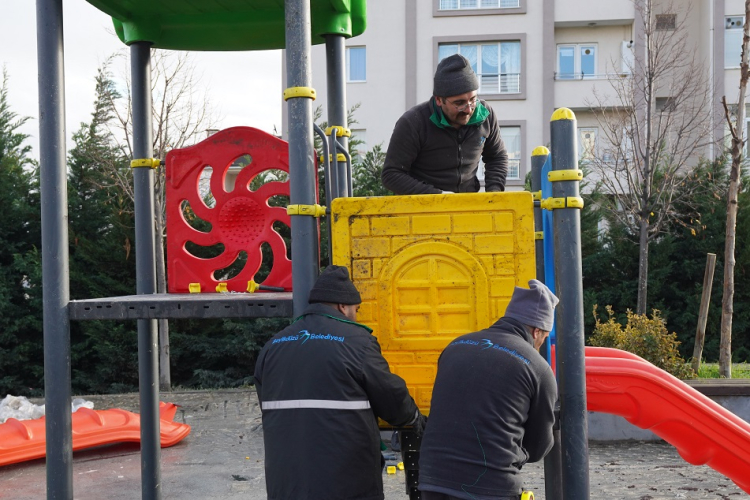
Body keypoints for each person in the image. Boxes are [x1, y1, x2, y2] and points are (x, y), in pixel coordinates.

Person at [254, 265, 426, 500]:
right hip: (345, 481)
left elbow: (267, 401)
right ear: (343, 306)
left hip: (286, 482)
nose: (356, 314)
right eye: (356, 309)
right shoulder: (357, 342)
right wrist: (414, 418)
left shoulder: (273, 345)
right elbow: (391, 396)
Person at [418, 279, 558, 500]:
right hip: (491, 485)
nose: (540, 344)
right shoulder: (537, 367)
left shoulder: (455, 346)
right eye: (544, 337)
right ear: (536, 331)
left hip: (433, 480)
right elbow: (539, 446)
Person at [381, 53, 509, 195]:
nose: (468, 109)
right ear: (439, 100)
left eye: (473, 99)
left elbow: (497, 157)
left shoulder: (486, 114)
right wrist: (438, 196)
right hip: (424, 206)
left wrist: (494, 195)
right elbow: (391, 175)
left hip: (468, 203)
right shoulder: (413, 122)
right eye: (459, 103)